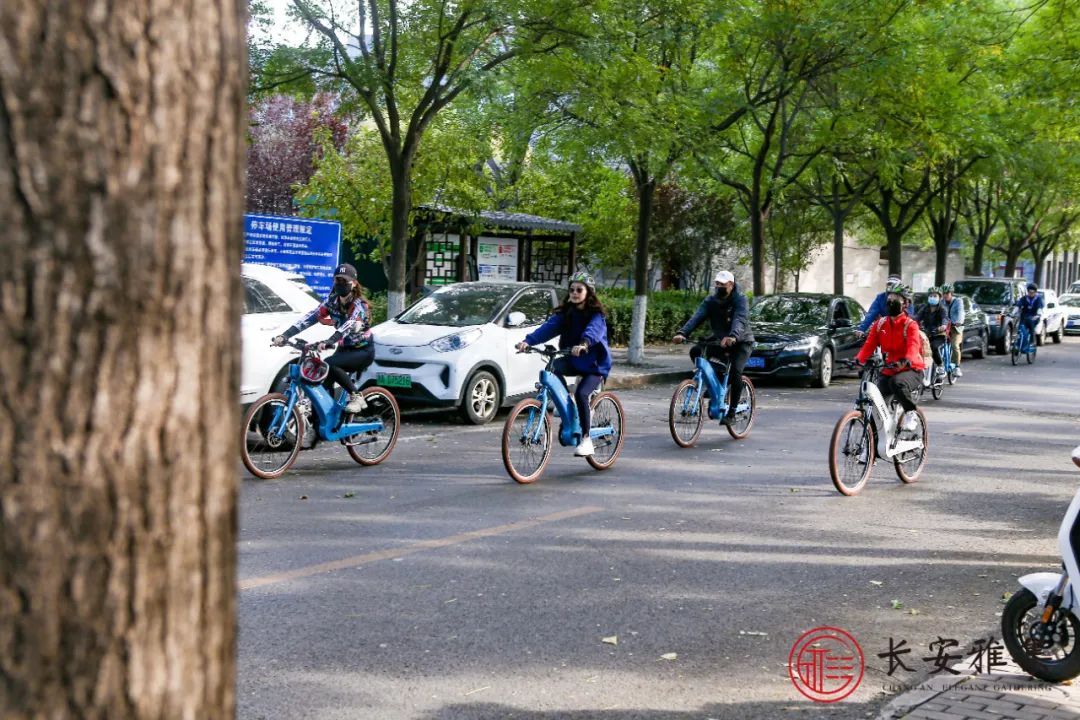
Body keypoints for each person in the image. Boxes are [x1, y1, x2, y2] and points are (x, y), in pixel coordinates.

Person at [515, 271, 612, 457]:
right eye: (572, 289)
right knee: (552, 369)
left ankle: (586, 439)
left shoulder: (596, 315)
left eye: (579, 290)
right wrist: (528, 342)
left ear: (588, 292)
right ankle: (567, 400)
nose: (574, 293)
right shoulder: (566, 313)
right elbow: (548, 328)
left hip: (594, 364)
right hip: (573, 359)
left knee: (583, 394)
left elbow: (593, 331)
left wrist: (584, 344)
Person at [272, 263, 374, 414]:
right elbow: (310, 318)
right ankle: (326, 420)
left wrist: (330, 341)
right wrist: (285, 335)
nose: (340, 284)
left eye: (344, 281)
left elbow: (348, 326)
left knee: (330, 364)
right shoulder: (332, 301)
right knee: (322, 380)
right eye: (337, 280)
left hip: (362, 350)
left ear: (353, 284)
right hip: (344, 348)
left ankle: (357, 396)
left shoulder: (359, 305)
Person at [671, 270, 755, 427]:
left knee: (736, 371)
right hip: (720, 341)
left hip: (741, 342)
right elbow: (697, 316)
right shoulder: (711, 301)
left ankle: (732, 412)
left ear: (731, 285)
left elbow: (740, 319)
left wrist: (733, 336)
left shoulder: (740, 299)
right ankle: (713, 382)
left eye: (721, 284)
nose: (718, 287)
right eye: (716, 284)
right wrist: (682, 333)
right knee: (696, 351)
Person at [855, 284, 925, 433]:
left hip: (911, 369)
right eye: (889, 298)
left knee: (897, 383)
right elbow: (869, 344)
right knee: (876, 398)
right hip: (890, 368)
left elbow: (913, 345)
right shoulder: (880, 324)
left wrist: (906, 359)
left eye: (896, 299)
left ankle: (910, 413)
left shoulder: (910, 325)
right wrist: (858, 360)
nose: (891, 301)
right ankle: (874, 444)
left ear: (905, 303)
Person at [916, 286, 950, 379]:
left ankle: (940, 366)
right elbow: (917, 318)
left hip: (939, 335)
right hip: (927, 334)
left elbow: (945, 318)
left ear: (940, 298)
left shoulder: (942, 308)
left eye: (935, 296)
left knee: (934, 347)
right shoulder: (924, 308)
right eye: (931, 296)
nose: (932, 298)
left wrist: (943, 326)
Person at [940, 284, 965, 377]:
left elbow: (960, 312)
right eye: (944, 293)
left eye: (947, 293)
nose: (945, 295)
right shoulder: (941, 302)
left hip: (956, 327)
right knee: (938, 343)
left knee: (955, 345)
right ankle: (940, 365)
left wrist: (959, 321)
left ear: (951, 293)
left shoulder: (958, 301)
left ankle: (957, 367)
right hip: (945, 327)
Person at [1012, 282, 1044, 350]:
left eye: (1032, 292)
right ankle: (1018, 344)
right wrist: (1013, 312)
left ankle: (1032, 341)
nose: (1031, 294)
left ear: (1035, 292)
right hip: (1024, 317)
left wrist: (1038, 314)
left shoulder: (1038, 299)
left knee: (1030, 324)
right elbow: (1018, 305)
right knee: (1020, 328)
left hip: (1034, 317)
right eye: (1029, 292)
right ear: (1028, 291)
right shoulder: (1024, 298)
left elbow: (1039, 308)